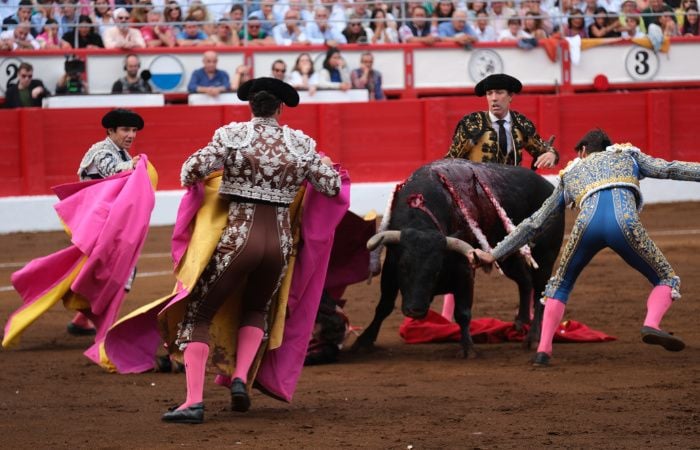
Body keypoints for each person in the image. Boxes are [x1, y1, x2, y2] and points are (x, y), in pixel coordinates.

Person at [161, 77, 341, 424]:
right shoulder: (301, 143)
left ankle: (193, 402)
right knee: (257, 309)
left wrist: (218, 176)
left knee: (198, 313)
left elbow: (189, 171)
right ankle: (240, 378)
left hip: (238, 237)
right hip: (279, 243)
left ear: (250, 106)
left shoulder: (232, 136)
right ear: (280, 108)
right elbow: (331, 186)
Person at [468, 128, 696, 366]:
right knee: (666, 279)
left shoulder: (572, 172)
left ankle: (543, 351)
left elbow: (535, 223)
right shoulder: (628, 156)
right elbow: (671, 169)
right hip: (624, 223)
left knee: (559, 285)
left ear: (583, 151)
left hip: (586, 226)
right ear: (609, 146)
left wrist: (494, 253)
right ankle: (651, 324)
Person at [68, 109, 144, 335]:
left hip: (102, 222)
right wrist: (136, 165)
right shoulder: (102, 152)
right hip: (94, 223)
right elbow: (115, 172)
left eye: (133, 131)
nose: (130, 135)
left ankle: (82, 320)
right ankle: (105, 325)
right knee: (122, 269)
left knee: (104, 271)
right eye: (125, 130)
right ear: (110, 131)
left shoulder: (123, 154)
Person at [446, 73, 558, 169]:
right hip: (478, 190)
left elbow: (542, 149)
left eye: (499, 92)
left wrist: (551, 154)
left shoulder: (520, 123)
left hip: (511, 188)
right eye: (489, 93)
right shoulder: (472, 124)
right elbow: (450, 160)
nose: (494, 98)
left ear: (510, 96)